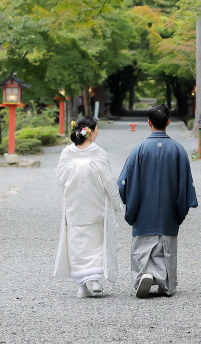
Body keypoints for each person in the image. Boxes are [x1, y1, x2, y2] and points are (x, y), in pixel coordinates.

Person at [117, 104, 198, 298]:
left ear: (149, 123)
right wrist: (180, 209)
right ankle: (165, 283)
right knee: (166, 248)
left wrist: (128, 203)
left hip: (143, 212)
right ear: (168, 122)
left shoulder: (139, 150)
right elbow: (186, 185)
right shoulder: (178, 150)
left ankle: (144, 276)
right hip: (168, 213)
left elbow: (123, 183)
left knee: (143, 247)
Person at [54, 116, 122, 298]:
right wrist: (117, 204)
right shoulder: (98, 153)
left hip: (74, 205)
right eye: (97, 129)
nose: (98, 132)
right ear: (90, 132)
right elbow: (108, 181)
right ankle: (92, 281)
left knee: (77, 243)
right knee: (95, 242)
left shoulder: (67, 153)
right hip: (95, 204)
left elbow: (61, 178)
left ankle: (84, 284)